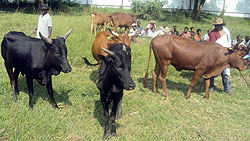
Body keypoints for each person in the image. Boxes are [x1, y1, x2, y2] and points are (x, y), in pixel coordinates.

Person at [209, 17, 233, 95]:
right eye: (216, 25)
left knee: (226, 72)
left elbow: (229, 40)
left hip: (226, 54)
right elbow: (212, 45)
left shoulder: (226, 31)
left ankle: (227, 89)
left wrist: (229, 49)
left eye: (219, 25)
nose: (217, 27)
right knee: (212, 71)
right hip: (216, 55)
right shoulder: (212, 33)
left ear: (221, 25)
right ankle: (211, 87)